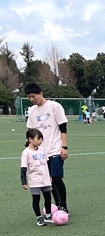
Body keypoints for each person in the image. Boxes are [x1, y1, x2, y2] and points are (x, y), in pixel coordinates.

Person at [25, 82, 70, 214]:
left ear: (40, 93)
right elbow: (30, 132)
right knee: (48, 182)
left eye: (33, 96)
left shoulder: (54, 106)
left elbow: (63, 127)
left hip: (55, 149)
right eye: (29, 97)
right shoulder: (32, 111)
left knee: (56, 177)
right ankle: (57, 206)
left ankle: (63, 206)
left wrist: (64, 146)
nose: (32, 99)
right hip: (40, 152)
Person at [20, 128, 54, 226]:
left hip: (45, 178)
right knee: (36, 199)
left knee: (48, 197)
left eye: (41, 139)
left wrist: (50, 175)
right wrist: (24, 182)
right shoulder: (26, 153)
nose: (41, 141)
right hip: (35, 180)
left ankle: (48, 215)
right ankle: (39, 217)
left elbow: (47, 163)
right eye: (38, 139)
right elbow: (23, 168)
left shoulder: (42, 149)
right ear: (30, 139)